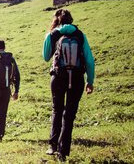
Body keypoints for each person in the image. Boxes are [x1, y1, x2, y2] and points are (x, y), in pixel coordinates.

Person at [42, 9, 95, 161]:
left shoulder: (53, 34)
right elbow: (90, 61)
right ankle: (63, 152)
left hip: (58, 77)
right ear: (71, 20)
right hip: (77, 78)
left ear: (56, 20)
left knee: (57, 110)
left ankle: (52, 146)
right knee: (69, 115)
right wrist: (90, 81)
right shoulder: (80, 35)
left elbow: (46, 57)